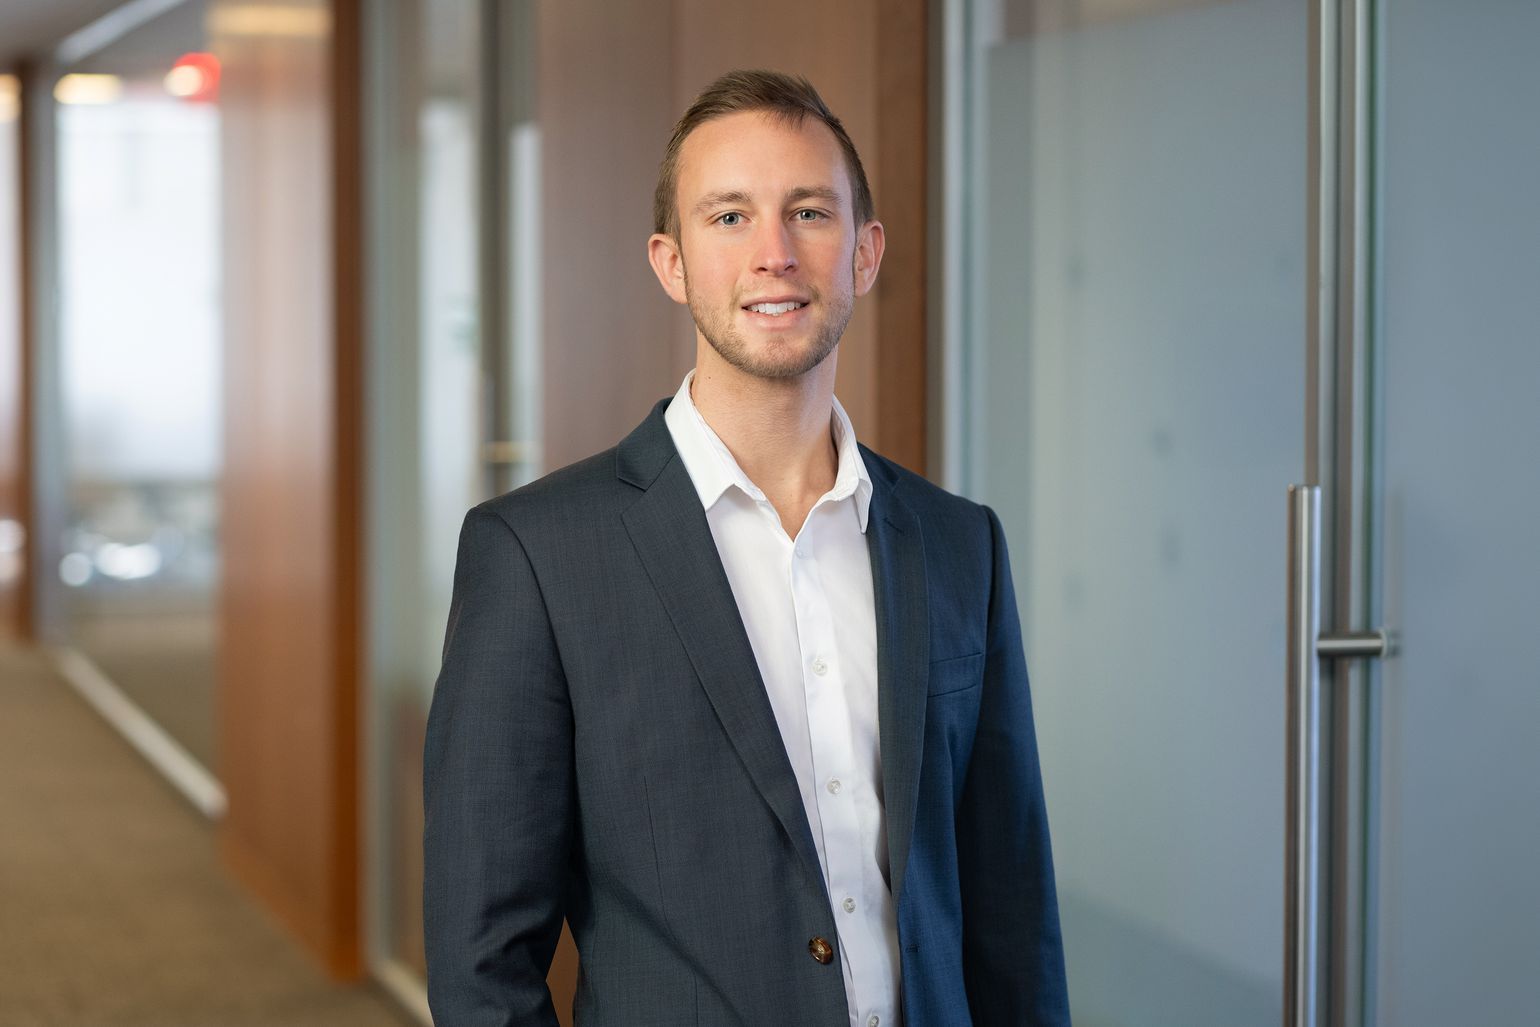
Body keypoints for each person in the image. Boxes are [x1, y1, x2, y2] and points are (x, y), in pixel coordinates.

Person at [423, 69, 1068, 1027]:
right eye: (729, 217)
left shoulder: (958, 544)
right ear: (672, 263)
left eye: (809, 212)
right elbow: (483, 960)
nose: (775, 254)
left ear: (864, 252)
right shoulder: (537, 556)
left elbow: (1012, 913)